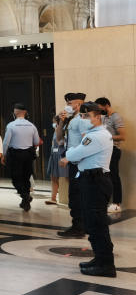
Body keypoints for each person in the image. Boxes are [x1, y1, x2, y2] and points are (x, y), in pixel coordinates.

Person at [61, 102, 116, 277]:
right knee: (93, 223)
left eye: (87, 116)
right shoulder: (97, 133)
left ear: (97, 117)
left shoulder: (96, 136)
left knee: (97, 224)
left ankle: (106, 265)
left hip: (95, 181)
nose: (83, 120)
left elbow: (75, 154)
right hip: (93, 179)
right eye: (82, 116)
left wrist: (69, 154)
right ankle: (100, 259)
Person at [56, 92, 87, 237]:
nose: (67, 106)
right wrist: (61, 121)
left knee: (76, 195)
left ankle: (78, 227)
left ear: (78, 104)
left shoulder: (81, 120)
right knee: (75, 194)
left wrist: (70, 157)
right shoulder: (71, 120)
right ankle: (79, 225)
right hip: (73, 161)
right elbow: (59, 138)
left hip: (79, 162)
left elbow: (85, 142)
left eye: (70, 104)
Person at [2, 103, 42, 211]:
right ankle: (25, 201)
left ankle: (25, 196)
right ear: (25, 113)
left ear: (15, 112)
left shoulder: (11, 125)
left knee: (16, 178)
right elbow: (37, 141)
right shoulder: (32, 126)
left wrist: (3, 154)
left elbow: (6, 142)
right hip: (28, 155)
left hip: (15, 155)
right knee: (26, 177)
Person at [94, 97, 124, 214]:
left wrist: (107, 137)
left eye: (100, 108)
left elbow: (123, 136)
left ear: (106, 105)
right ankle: (106, 201)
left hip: (114, 150)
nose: (99, 111)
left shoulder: (116, 117)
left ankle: (117, 203)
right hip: (104, 151)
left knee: (114, 177)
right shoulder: (104, 117)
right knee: (105, 177)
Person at [45, 114, 69, 206]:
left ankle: (73, 198)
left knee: (67, 177)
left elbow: (61, 142)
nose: (53, 124)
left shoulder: (63, 131)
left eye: (55, 122)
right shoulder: (55, 131)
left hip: (62, 155)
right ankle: (53, 198)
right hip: (54, 155)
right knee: (53, 176)